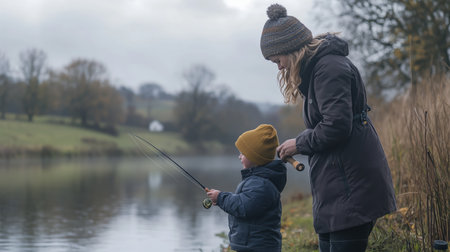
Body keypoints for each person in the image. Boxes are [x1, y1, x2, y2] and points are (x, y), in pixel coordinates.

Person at [260, 4, 397, 252]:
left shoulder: (329, 69)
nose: (279, 67)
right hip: (338, 188)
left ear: (289, 50)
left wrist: (298, 143)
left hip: (351, 188)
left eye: (277, 60)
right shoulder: (317, 71)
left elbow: (336, 126)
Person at [206, 124, 287, 252]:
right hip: (252, 245)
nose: (239, 156)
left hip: (258, 247)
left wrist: (221, 198)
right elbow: (243, 200)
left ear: (255, 158)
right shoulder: (258, 180)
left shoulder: (261, 184)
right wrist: (221, 200)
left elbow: (244, 207)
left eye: (242, 154)